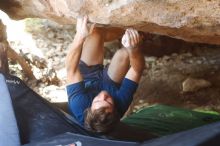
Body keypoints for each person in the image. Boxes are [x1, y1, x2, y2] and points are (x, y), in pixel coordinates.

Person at [66, 16, 145, 133]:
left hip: (87, 75)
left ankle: (111, 34)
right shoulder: (121, 103)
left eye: (97, 101)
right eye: (108, 101)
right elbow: (137, 70)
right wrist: (134, 49)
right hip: (111, 82)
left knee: (96, 32)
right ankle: (133, 37)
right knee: (126, 53)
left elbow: (71, 69)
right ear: (115, 110)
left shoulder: (78, 104)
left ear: (88, 109)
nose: (103, 96)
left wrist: (80, 36)